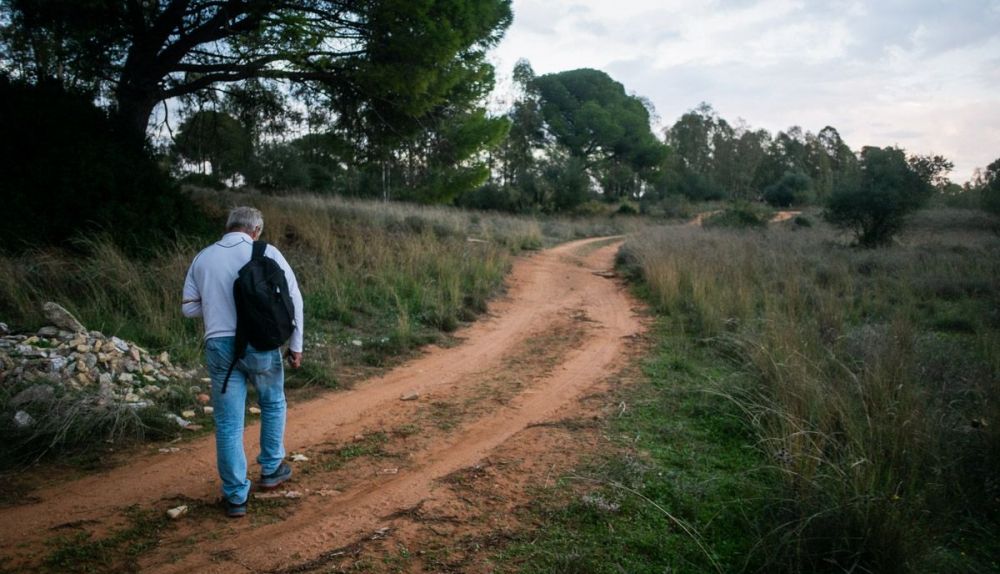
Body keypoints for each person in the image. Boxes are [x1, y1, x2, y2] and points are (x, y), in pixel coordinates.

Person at [182, 206, 304, 518]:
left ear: (228, 227)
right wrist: (296, 345)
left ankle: (236, 497)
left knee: (227, 422)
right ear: (256, 230)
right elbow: (293, 299)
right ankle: (271, 467)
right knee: (273, 402)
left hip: (220, 344)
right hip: (260, 342)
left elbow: (189, 309)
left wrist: (217, 304)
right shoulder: (266, 251)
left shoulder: (203, 257)